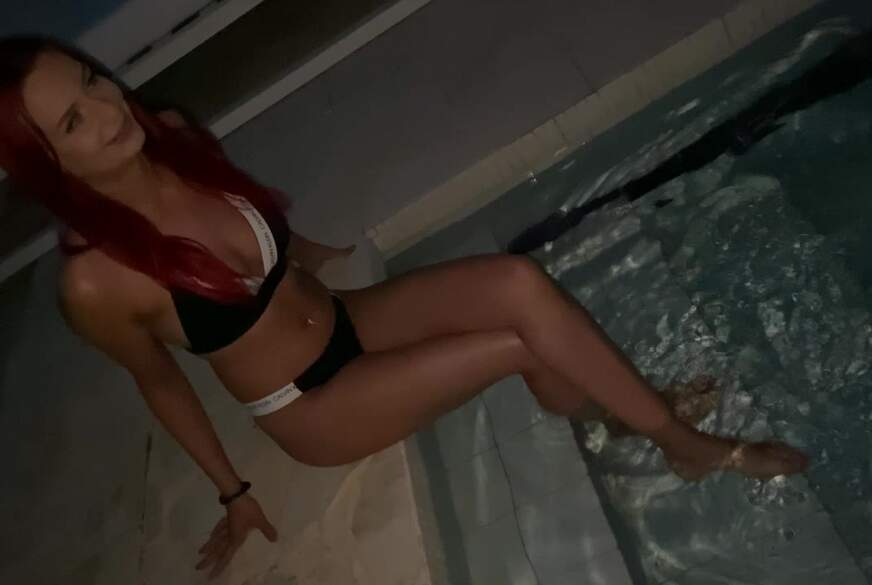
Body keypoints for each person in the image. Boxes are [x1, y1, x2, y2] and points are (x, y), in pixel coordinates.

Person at [0, 36, 808, 579]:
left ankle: (630, 422)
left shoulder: (173, 133)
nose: (108, 111)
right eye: (73, 121)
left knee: (516, 284)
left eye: (93, 80)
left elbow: (260, 223)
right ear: (47, 163)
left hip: (347, 316)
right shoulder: (96, 283)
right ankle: (678, 440)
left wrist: (312, 252)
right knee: (519, 343)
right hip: (312, 403)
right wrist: (233, 492)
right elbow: (161, 383)